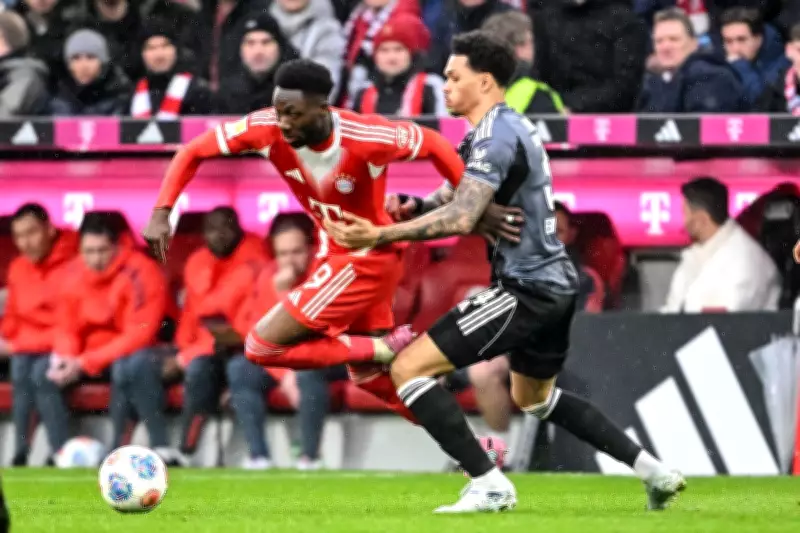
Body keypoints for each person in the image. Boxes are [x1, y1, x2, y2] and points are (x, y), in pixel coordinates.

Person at [324, 30, 685, 513]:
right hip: (554, 283)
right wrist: (413, 205)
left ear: (485, 81)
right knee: (535, 397)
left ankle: (489, 483)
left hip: (526, 286)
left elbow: (462, 217)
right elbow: (455, 195)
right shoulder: (498, 129)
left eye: (454, 77)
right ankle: (655, 472)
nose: (445, 85)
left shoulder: (495, 136)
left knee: (408, 368)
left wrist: (380, 234)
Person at [142, 58, 519, 425]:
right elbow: (192, 150)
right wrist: (162, 211)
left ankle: (394, 354)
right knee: (365, 377)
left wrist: (475, 202)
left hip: (368, 260)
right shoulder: (266, 128)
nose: (282, 122)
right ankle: (468, 444)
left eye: (292, 113)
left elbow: (434, 143)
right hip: (337, 260)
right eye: (278, 111)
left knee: (270, 349)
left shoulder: (364, 137)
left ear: (322, 108)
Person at [36, 213, 171, 459]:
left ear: (117, 247)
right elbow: (66, 326)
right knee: (43, 371)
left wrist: (84, 362)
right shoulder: (72, 273)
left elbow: (139, 334)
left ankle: (130, 449)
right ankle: (62, 453)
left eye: (102, 250)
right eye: (88, 251)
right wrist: (65, 357)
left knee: (127, 367)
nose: (95, 259)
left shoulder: (142, 271)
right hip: (87, 356)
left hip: (136, 353)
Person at [1, 203, 78, 466]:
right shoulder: (18, 267)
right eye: (19, 236)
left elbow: (70, 324)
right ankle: (21, 451)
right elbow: (12, 318)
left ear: (50, 229)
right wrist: (7, 339)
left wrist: (17, 345)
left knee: (40, 372)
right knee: (21, 366)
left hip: (69, 346)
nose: (25, 243)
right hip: (28, 349)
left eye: (32, 232)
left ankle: (60, 452)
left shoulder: (75, 263)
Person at [662, 177, 781, 313]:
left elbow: (726, 319)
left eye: (685, 213)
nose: (683, 223)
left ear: (701, 219)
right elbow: (672, 310)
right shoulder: (696, 255)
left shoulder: (746, 260)